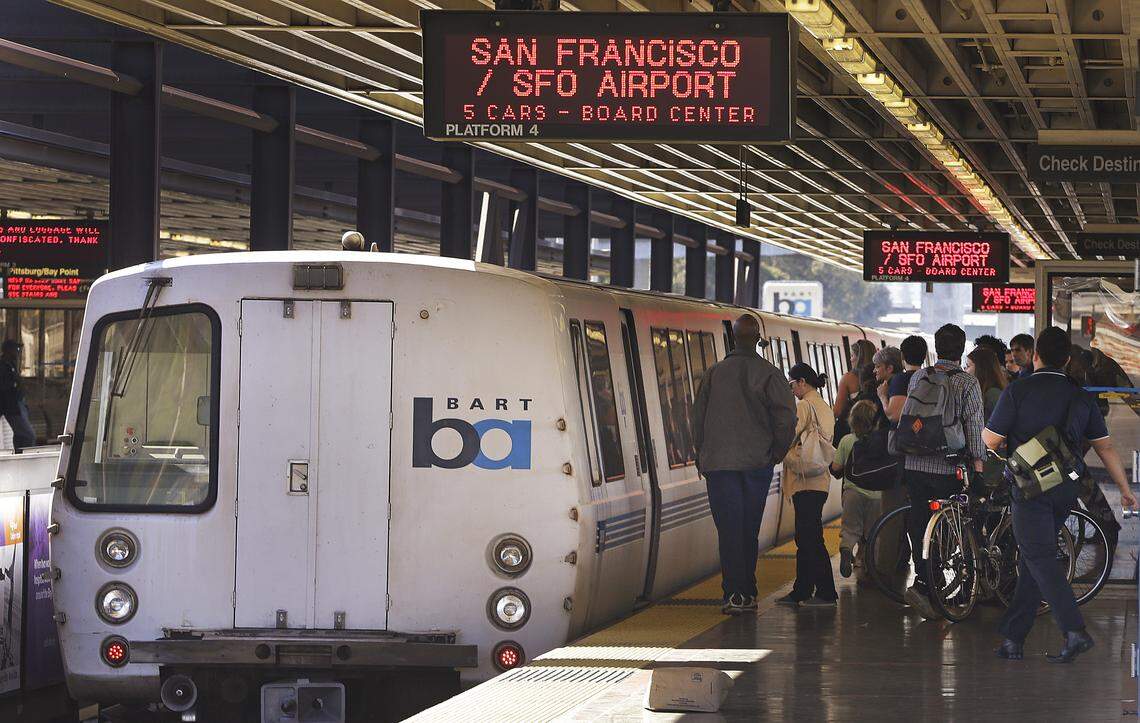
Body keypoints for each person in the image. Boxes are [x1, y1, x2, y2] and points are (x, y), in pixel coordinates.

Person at [984, 327, 1138, 663]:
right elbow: (1106, 447)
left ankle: (1074, 630)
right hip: (1066, 487)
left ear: (1036, 356)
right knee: (1032, 558)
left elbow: (991, 441)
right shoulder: (1080, 395)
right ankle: (1013, 638)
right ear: (1068, 359)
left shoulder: (1018, 390)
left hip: (1030, 490)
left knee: (1039, 557)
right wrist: (1125, 490)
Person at [692, 314, 798, 616]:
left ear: (733, 339)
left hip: (719, 465)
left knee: (728, 530)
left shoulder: (713, 374)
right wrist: (776, 452)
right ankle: (746, 592)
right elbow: (787, 417)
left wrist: (703, 455)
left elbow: (697, 419)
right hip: (756, 463)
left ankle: (733, 594)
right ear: (758, 339)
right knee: (748, 528)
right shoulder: (770, 374)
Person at [901, 324, 986, 620]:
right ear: (961, 350)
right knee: (956, 524)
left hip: (914, 464)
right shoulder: (967, 383)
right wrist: (978, 464)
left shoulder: (918, 378)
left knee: (920, 521)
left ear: (936, 349)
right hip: (948, 466)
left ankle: (925, 581)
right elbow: (974, 427)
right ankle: (954, 586)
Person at [778, 362, 838, 608]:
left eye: (792, 384)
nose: (791, 389)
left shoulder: (804, 405)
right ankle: (802, 589)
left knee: (810, 538)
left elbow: (789, 435)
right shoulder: (824, 406)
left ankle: (825, 592)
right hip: (819, 479)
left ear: (802, 382)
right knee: (808, 536)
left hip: (804, 481)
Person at [831, 400, 883, 581]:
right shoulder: (880, 440)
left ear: (852, 420)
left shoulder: (846, 441)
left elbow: (836, 467)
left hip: (852, 492)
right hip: (877, 495)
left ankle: (846, 549)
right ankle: (871, 567)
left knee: (850, 528)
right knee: (873, 532)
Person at [966, 346, 1008, 490]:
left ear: (981, 368)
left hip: (992, 464)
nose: (965, 370)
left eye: (968, 366)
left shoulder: (992, 394)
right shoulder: (989, 393)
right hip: (988, 460)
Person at [834, 339, 876, 439]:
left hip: (854, 431)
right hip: (877, 428)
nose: (850, 359)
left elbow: (838, 411)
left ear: (859, 358)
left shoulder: (848, 378)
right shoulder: (880, 375)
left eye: (852, 355)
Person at [882, 336, 927, 426]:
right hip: (929, 432)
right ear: (925, 356)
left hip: (908, 436)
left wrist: (882, 396)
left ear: (902, 356)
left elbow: (893, 416)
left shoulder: (900, 380)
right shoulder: (930, 377)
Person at [0, 340, 34, 452]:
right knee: (29, 435)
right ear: (8, 351)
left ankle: (19, 454)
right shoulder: (3, 365)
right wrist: (15, 384)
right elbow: (4, 386)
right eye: (16, 350)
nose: (18, 352)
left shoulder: (11, 364)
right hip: (12, 407)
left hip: (18, 404)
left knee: (20, 435)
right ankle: (25, 458)